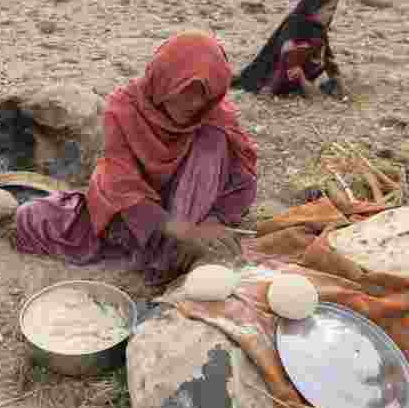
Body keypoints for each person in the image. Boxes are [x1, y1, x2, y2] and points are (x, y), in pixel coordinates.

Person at [14, 32, 257, 285]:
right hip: (136, 215)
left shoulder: (215, 120)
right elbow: (120, 183)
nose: (194, 104)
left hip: (190, 218)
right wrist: (177, 229)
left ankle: (176, 256)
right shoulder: (124, 109)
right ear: (165, 78)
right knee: (30, 216)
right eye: (187, 91)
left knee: (211, 139)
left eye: (204, 95)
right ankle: (168, 247)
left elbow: (243, 182)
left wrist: (211, 223)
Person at [233, 0, 342, 99]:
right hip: (272, 78)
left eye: (334, 9)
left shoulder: (318, 29)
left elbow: (327, 58)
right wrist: (270, 89)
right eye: (330, 9)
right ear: (314, 8)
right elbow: (287, 55)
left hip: (294, 78)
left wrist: (338, 80)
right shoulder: (295, 23)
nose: (332, 14)